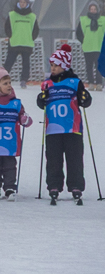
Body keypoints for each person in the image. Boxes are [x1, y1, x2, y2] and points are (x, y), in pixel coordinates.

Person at [37, 44, 93, 204]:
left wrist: (85, 98)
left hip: (72, 128)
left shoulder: (75, 82)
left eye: (56, 66)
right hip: (53, 128)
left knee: (74, 158)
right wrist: (41, 99)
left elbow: (85, 101)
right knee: (53, 158)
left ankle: (76, 185)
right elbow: (41, 103)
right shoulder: (47, 83)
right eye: (52, 66)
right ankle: (54, 185)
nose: (53, 69)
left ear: (64, 66)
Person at [0, 67, 33, 200]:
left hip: (10, 143)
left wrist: (25, 120)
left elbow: (23, 117)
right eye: (5, 83)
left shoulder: (15, 103)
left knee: (10, 166)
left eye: (9, 83)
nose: (9, 86)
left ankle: (10, 187)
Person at [4, 0, 39, 88]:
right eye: (21, 2)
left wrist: (32, 37)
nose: (22, 4)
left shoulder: (32, 16)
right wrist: (10, 35)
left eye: (24, 2)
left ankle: (24, 80)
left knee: (26, 64)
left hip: (26, 43)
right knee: (9, 62)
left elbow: (36, 29)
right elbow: (7, 26)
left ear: (27, 4)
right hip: (15, 42)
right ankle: (2, 78)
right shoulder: (12, 14)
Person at [76, 2, 104, 90]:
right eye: (91, 9)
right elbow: (79, 33)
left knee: (98, 66)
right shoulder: (83, 20)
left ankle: (99, 83)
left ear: (97, 10)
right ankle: (91, 83)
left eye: (94, 9)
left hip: (99, 47)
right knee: (89, 66)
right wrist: (83, 41)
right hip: (87, 47)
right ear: (89, 10)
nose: (93, 11)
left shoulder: (103, 20)